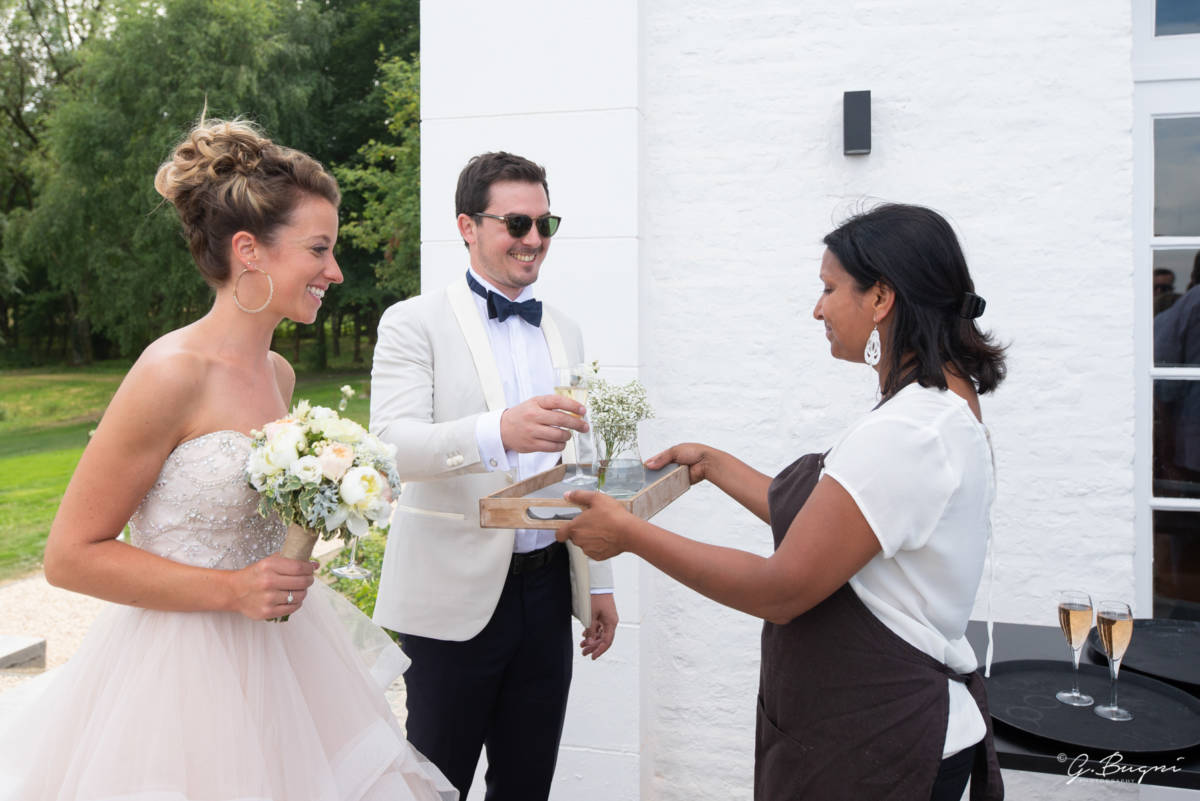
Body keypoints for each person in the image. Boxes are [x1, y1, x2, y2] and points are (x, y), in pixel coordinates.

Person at [0, 118, 457, 801]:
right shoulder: (170, 372)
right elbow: (69, 556)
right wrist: (233, 590)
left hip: (286, 662)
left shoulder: (279, 375)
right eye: (319, 249)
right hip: (177, 681)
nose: (335, 271)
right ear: (249, 250)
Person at [558, 203, 1006, 801]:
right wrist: (713, 465)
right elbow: (838, 533)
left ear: (880, 298)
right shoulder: (942, 404)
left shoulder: (911, 432)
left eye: (829, 289)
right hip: (876, 732)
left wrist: (629, 535)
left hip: (881, 747)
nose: (818, 309)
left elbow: (781, 590)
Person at [369, 151, 619, 800]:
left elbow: (582, 461)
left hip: (548, 590)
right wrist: (497, 431)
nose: (533, 239)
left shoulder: (566, 330)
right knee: (434, 784)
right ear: (467, 226)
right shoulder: (412, 322)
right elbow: (391, 447)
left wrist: (598, 580)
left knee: (528, 784)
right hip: (450, 597)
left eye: (544, 223)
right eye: (516, 223)